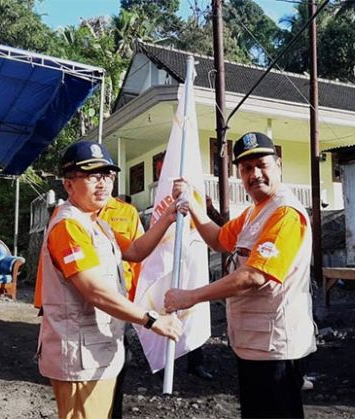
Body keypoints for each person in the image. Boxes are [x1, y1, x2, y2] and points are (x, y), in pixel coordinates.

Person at [165, 132, 317, 419]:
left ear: (278, 165)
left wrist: (191, 297)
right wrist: (193, 205)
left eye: (261, 165)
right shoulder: (252, 214)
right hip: (253, 345)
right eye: (247, 168)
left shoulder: (285, 213)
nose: (255, 174)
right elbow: (219, 239)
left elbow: (254, 276)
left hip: (277, 349)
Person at [37, 140, 182, 419]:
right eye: (92, 175)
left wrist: (167, 218)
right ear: (68, 184)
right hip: (80, 356)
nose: (102, 183)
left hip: (96, 349)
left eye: (107, 175)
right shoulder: (68, 226)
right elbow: (94, 291)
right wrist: (152, 320)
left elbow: (135, 251)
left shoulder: (96, 222)